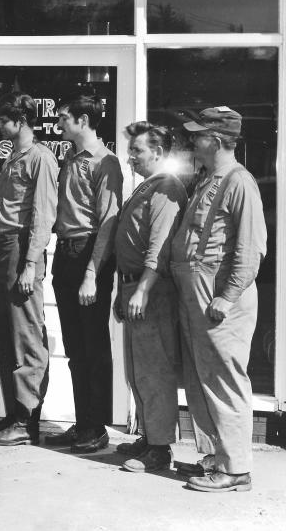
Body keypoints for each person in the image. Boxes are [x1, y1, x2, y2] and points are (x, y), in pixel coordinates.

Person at [170, 107, 266, 492]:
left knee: (225, 380)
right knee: (200, 378)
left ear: (217, 139)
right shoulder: (210, 178)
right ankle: (217, 458)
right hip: (197, 290)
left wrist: (226, 297)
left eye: (198, 135)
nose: (193, 141)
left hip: (220, 293)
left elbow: (251, 249)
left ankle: (237, 468)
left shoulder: (240, 182)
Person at [46, 91, 123, 453]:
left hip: (88, 255)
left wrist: (92, 272)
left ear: (83, 120)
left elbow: (108, 222)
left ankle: (96, 428)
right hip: (65, 253)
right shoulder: (71, 158)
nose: (59, 123)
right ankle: (83, 424)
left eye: (64, 117)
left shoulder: (105, 163)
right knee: (77, 347)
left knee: (93, 345)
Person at [0, 93, 58, 447]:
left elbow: (43, 214)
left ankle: (26, 420)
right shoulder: (14, 155)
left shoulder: (40, 158)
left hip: (22, 247)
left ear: (20, 121)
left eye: (4, 120)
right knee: (7, 334)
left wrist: (30, 264)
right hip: (5, 251)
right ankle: (15, 413)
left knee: (26, 335)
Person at [113, 122, 187, 472]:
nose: (131, 158)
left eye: (137, 151)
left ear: (157, 154)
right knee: (138, 370)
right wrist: (123, 290)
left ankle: (160, 450)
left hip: (152, 291)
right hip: (134, 288)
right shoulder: (146, 188)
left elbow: (159, 247)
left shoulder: (166, 189)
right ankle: (149, 436)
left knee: (154, 370)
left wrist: (141, 289)